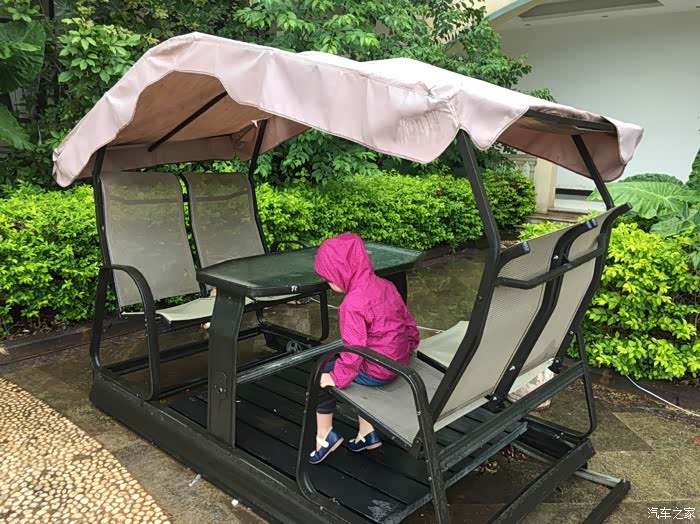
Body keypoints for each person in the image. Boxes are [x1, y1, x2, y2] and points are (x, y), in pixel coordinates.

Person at [309, 232, 420, 464]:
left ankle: (324, 436)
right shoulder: (387, 286)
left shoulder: (351, 305)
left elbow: (355, 349)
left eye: (329, 279)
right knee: (354, 361)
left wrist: (336, 377)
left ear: (342, 274)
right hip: (398, 362)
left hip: (378, 372)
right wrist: (412, 345)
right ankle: (366, 433)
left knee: (322, 373)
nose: (329, 284)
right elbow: (407, 321)